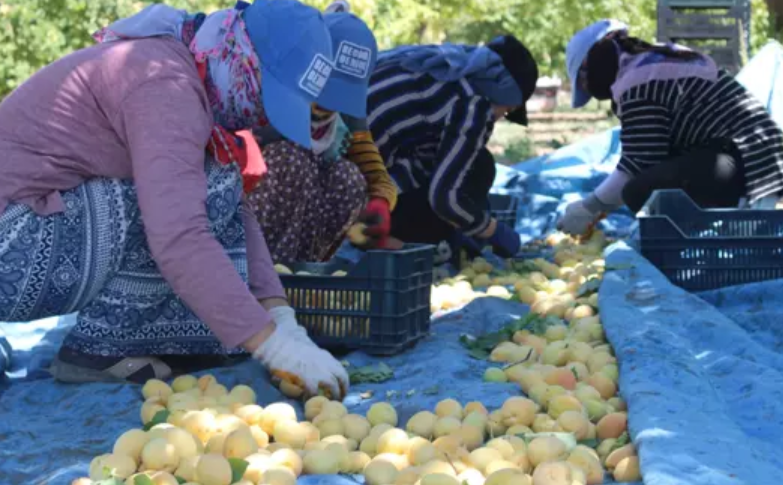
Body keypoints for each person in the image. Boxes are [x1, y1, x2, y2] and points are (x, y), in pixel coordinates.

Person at [0, 0, 350, 399]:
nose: (263, 117)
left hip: (28, 237)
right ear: (243, 58)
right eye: (267, 97)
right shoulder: (164, 83)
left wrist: (281, 318)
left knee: (215, 190)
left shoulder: (189, 73)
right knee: (198, 196)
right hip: (11, 244)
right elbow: (179, 236)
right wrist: (272, 345)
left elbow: (237, 211)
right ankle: (99, 350)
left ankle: (120, 341)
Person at [557, 19, 783, 236]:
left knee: (638, 190)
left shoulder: (637, 81)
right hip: (754, 157)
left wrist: (589, 206)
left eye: (586, 80)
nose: (592, 89)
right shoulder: (655, 59)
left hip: (743, 162)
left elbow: (638, 164)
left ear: (597, 59)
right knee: (649, 184)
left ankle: (693, 238)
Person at [366, 35, 539, 259]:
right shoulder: (473, 104)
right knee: (478, 167)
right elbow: (445, 199)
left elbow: (429, 156)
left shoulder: (448, 72)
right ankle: (399, 244)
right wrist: (492, 230)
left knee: (460, 164)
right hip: (355, 194)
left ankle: (382, 235)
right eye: (506, 111)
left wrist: (468, 220)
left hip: (337, 175)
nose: (499, 118)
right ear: (502, 92)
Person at [249, 5, 398, 263]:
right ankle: (260, 275)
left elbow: (374, 171)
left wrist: (381, 202)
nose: (330, 104)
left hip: (302, 235)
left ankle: (303, 272)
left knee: (349, 178)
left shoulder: (345, 115)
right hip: (246, 220)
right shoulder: (268, 87)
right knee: (291, 157)